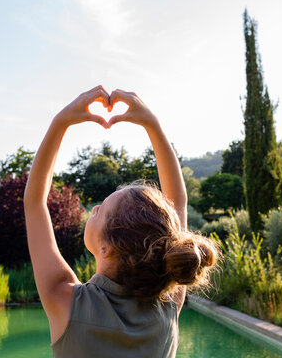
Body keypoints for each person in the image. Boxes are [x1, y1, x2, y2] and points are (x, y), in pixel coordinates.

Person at [24, 85, 219, 358]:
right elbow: (179, 202)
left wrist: (62, 121)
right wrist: (153, 125)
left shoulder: (67, 302)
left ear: (107, 248)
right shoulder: (167, 307)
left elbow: (34, 203)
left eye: (100, 210)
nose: (92, 208)